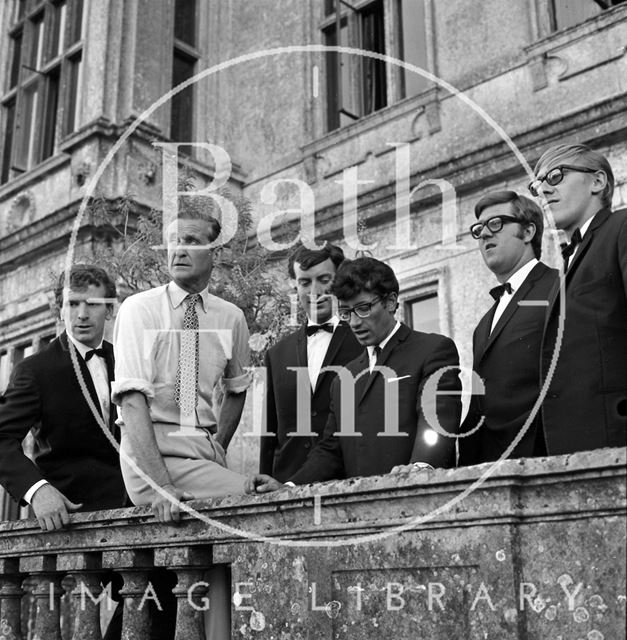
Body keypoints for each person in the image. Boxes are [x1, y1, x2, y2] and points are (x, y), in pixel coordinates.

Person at [112, 201, 250, 638]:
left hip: (203, 456)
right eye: (173, 240)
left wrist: (219, 448)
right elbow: (131, 402)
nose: (178, 249)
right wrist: (160, 487)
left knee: (224, 557)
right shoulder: (139, 308)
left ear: (216, 252)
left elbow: (238, 389)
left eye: (192, 240)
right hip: (151, 456)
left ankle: (221, 633)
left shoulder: (232, 318)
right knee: (255, 502)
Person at [250, 257, 462, 491]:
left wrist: (421, 467)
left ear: (391, 302)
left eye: (362, 309)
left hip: (417, 498)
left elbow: (436, 418)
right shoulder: (344, 378)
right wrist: (288, 485)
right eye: (346, 312)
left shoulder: (433, 350)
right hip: (359, 511)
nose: (354, 322)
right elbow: (331, 449)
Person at [0, 264, 126, 640]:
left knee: (163, 600)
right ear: (60, 309)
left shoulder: (131, 360)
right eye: (72, 304)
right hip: (71, 521)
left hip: (135, 511)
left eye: (92, 304)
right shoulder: (36, 370)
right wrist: (38, 491)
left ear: (110, 309)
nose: (82, 314)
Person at [529, 143, 627, 453]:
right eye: (537, 186)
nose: (543, 191)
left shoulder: (621, 228)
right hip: (574, 448)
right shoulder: (567, 262)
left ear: (598, 182)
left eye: (555, 177)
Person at [459, 191, 558, 464]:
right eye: (478, 229)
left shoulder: (560, 287)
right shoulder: (483, 325)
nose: (484, 235)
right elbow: (479, 405)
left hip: (544, 461)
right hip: (491, 470)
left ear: (527, 232)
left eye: (496, 224)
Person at [260, 243, 363, 481]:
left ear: (339, 281)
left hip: (350, 480)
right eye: (305, 282)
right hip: (288, 483)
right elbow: (270, 431)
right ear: (295, 286)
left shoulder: (364, 340)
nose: (314, 290)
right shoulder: (277, 354)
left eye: (324, 279)